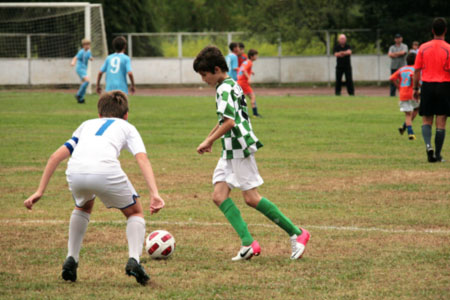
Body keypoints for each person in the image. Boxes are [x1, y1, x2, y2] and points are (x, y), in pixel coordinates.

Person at [23, 90, 165, 285]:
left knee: (82, 207)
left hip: (76, 171)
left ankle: (71, 257)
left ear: (99, 115)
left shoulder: (86, 125)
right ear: (126, 114)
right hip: (105, 170)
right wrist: (155, 194)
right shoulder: (127, 126)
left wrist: (39, 191)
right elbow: (142, 158)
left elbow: (55, 157)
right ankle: (134, 259)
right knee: (135, 212)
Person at [193, 46, 310, 261]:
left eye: (204, 74)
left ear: (216, 69)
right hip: (230, 148)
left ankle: (297, 233)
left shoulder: (223, 89)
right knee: (219, 196)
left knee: (251, 198)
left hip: (238, 147)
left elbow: (229, 121)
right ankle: (248, 243)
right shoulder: (231, 84)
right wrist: (210, 139)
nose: (203, 79)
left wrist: (210, 140)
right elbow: (225, 119)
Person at [413, 17, 450, 163]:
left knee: (426, 119)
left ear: (432, 31)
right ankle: (438, 154)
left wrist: (416, 88)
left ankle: (429, 147)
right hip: (444, 86)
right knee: (441, 121)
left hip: (427, 85)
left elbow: (416, 70)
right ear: (445, 31)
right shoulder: (448, 48)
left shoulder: (423, 47)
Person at [389, 53, 419, 140]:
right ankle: (410, 133)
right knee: (415, 110)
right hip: (412, 94)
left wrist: (399, 87)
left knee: (408, 115)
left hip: (403, 94)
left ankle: (404, 127)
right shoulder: (415, 70)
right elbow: (418, 80)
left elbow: (391, 78)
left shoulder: (402, 69)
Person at [237, 49, 261, 117]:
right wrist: (249, 78)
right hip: (244, 83)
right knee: (253, 97)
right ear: (251, 56)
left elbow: (241, 69)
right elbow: (244, 70)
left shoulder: (245, 62)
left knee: (241, 98)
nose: (257, 57)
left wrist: (251, 72)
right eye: (256, 55)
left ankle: (241, 113)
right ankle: (255, 114)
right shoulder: (250, 62)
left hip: (240, 81)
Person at [71, 39, 93, 104]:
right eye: (86, 45)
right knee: (87, 81)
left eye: (88, 44)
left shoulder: (88, 52)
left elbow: (89, 56)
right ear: (83, 46)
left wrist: (91, 58)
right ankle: (78, 94)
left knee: (84, 83)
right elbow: (75, 57)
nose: (87, 46)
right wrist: (73, 62)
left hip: (84, 69)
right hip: (80, 69)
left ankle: (80, 99)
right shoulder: (81, 52)